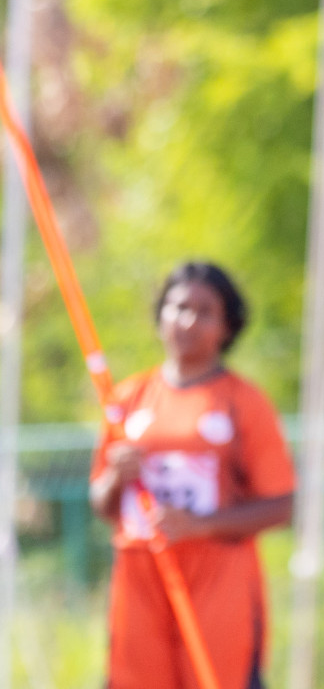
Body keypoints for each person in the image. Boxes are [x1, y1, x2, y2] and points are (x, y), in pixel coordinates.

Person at [89, 262, 295, 689]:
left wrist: (198, 526)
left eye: (204, 311)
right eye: (178, 307)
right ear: (160, 315)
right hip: (140, 582)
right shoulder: (128, 398)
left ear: (226, 326)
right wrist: (115, 475)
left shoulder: (243, 403)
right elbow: (103, 504)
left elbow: (282, 504)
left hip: (217, 582)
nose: (187, 321)